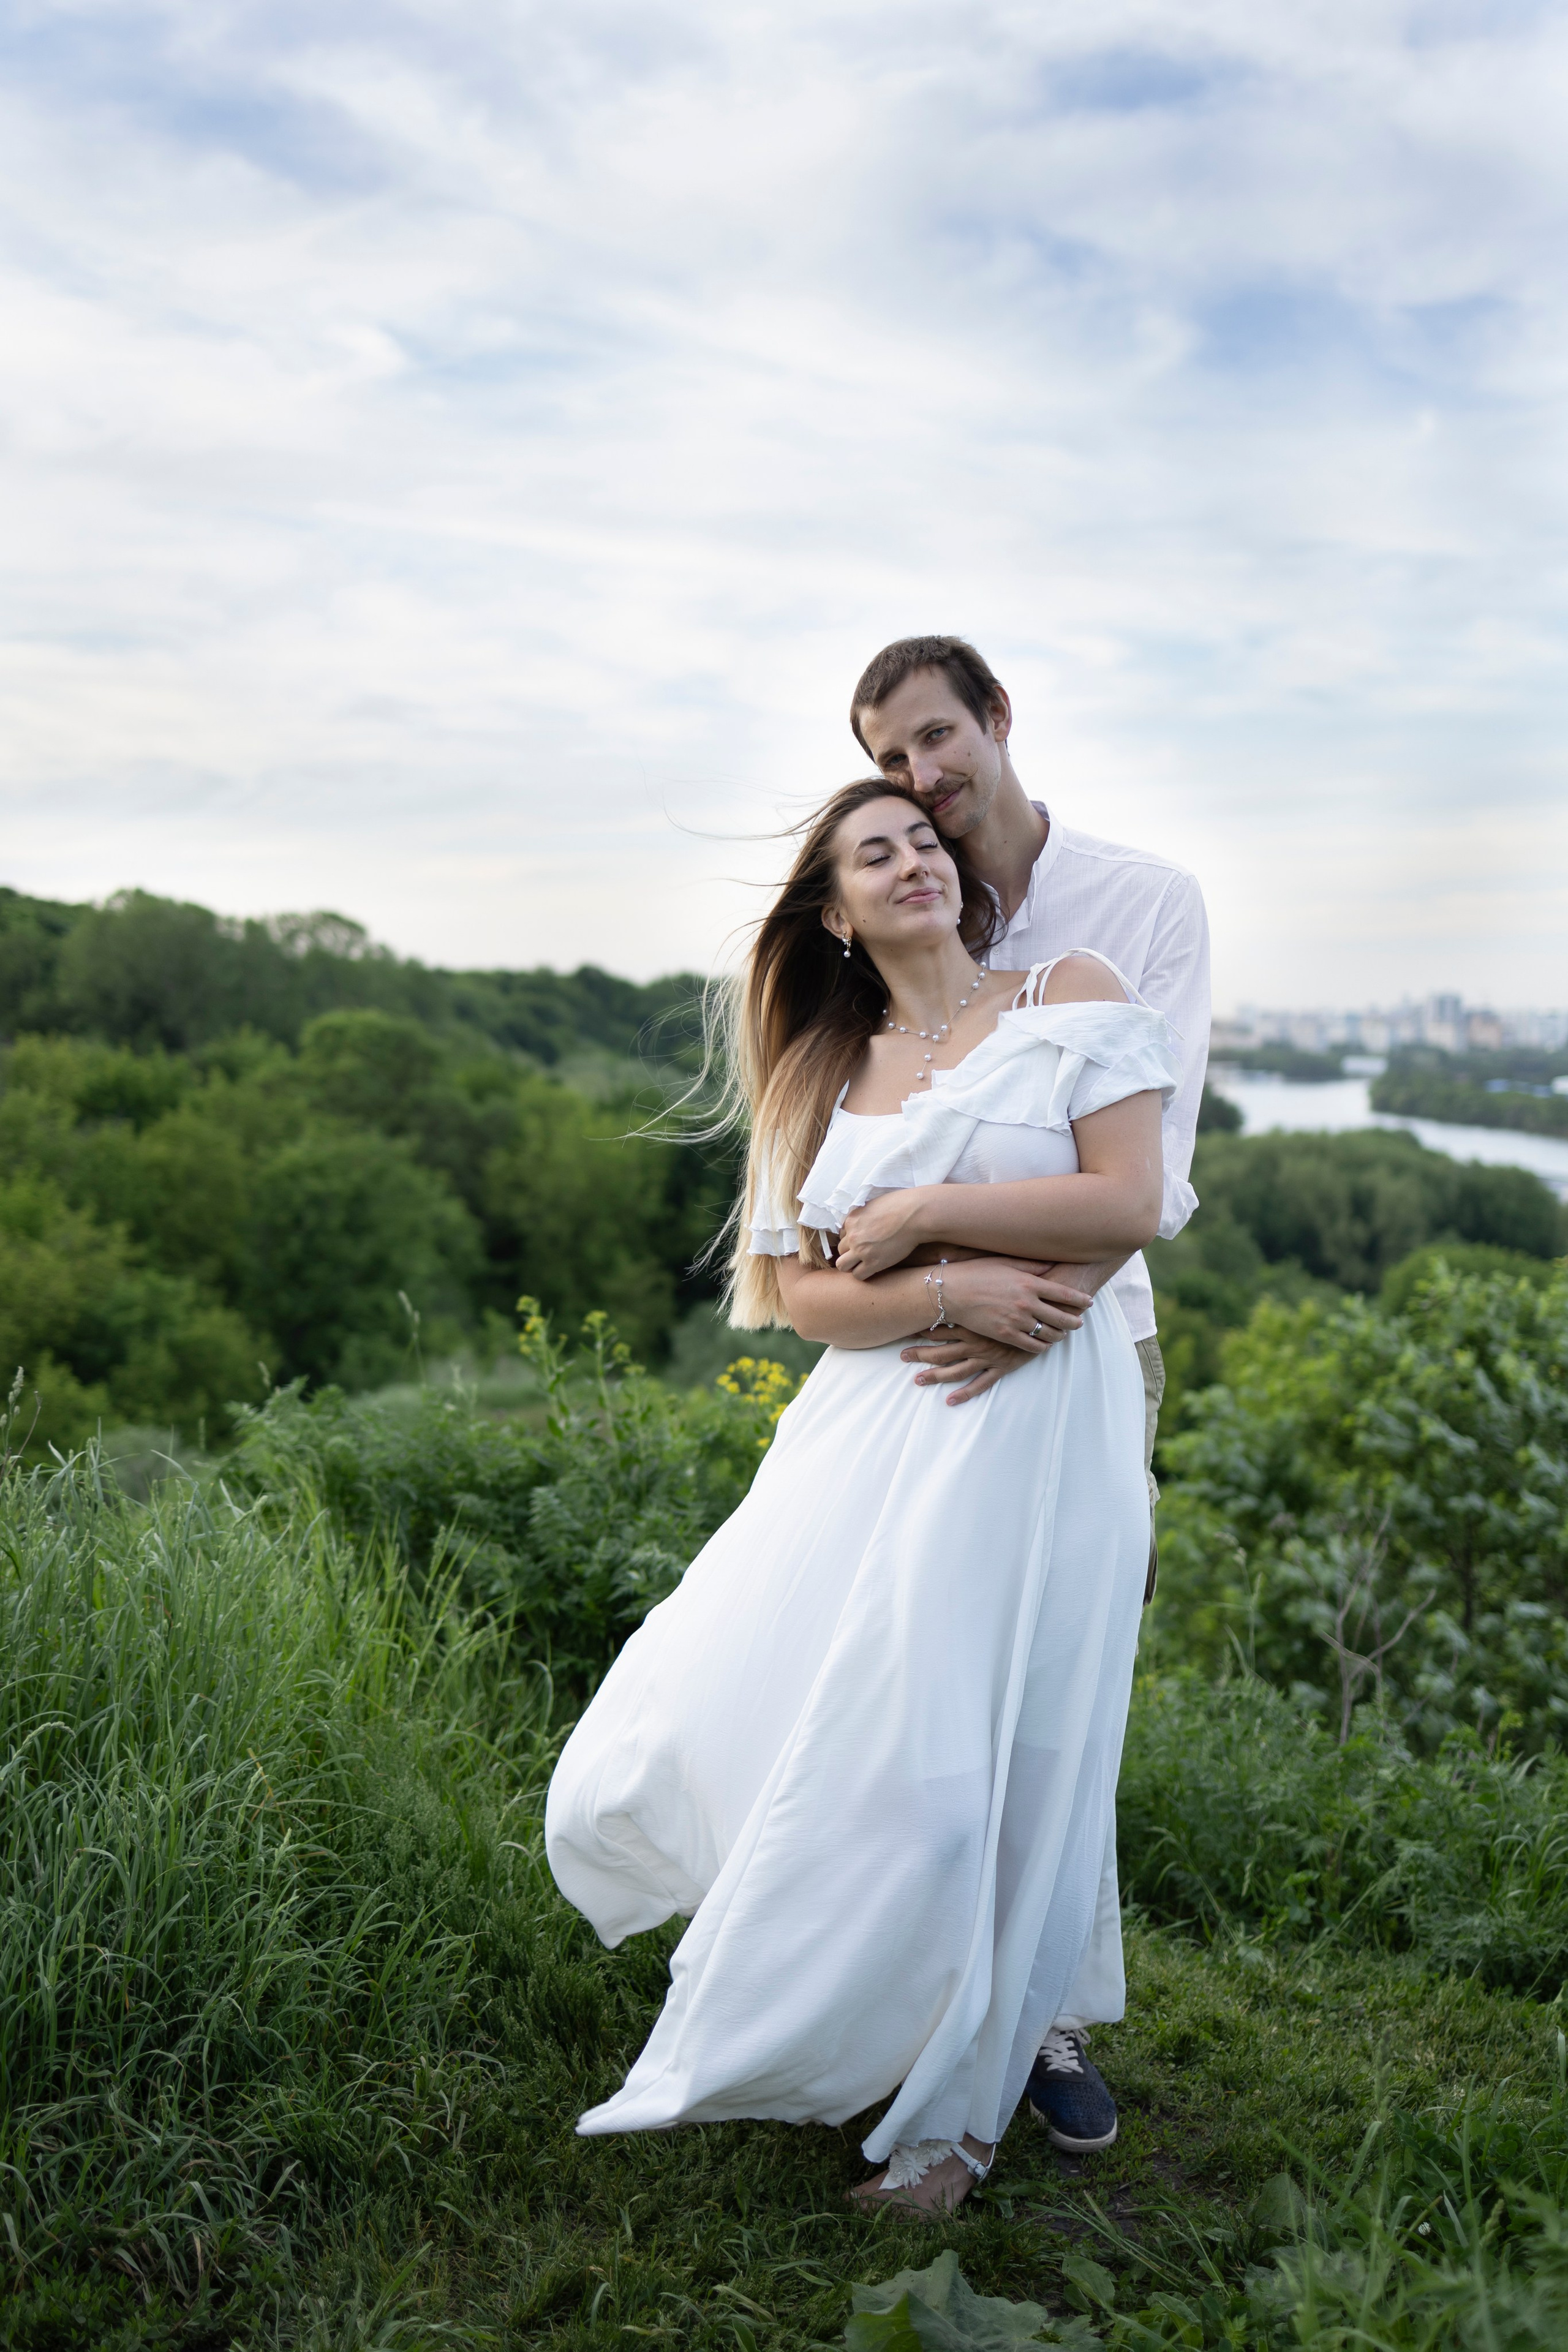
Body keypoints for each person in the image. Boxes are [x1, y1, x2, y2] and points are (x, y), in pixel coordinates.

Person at [545, 775, 1178, 2215]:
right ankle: (855, 2000)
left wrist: (920, 1216)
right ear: (833, 910)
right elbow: (797, 1298)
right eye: (871, 853)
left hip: (1043, 1434)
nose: (912, 864)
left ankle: (957, 2122)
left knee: (1021, 1762)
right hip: (879, 1436)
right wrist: (944, 1283)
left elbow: (1126, 1198)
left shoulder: (1070, 992)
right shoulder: (822, 1072)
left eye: (921, 841)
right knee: (859, 1748)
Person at [850, 634, 1210, 2152]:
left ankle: (1044, 2014)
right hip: (927, 1356)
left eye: (937, 739)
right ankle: (897, 1985)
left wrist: (1005, 1285)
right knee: (915, 1683)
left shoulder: (1137, 907)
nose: (922, 780)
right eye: (890, 765)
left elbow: (1148, 1179)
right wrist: (950, 1297)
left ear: (997, 719)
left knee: (1064, 1693)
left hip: (1088, 1338)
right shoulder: (906, 901)